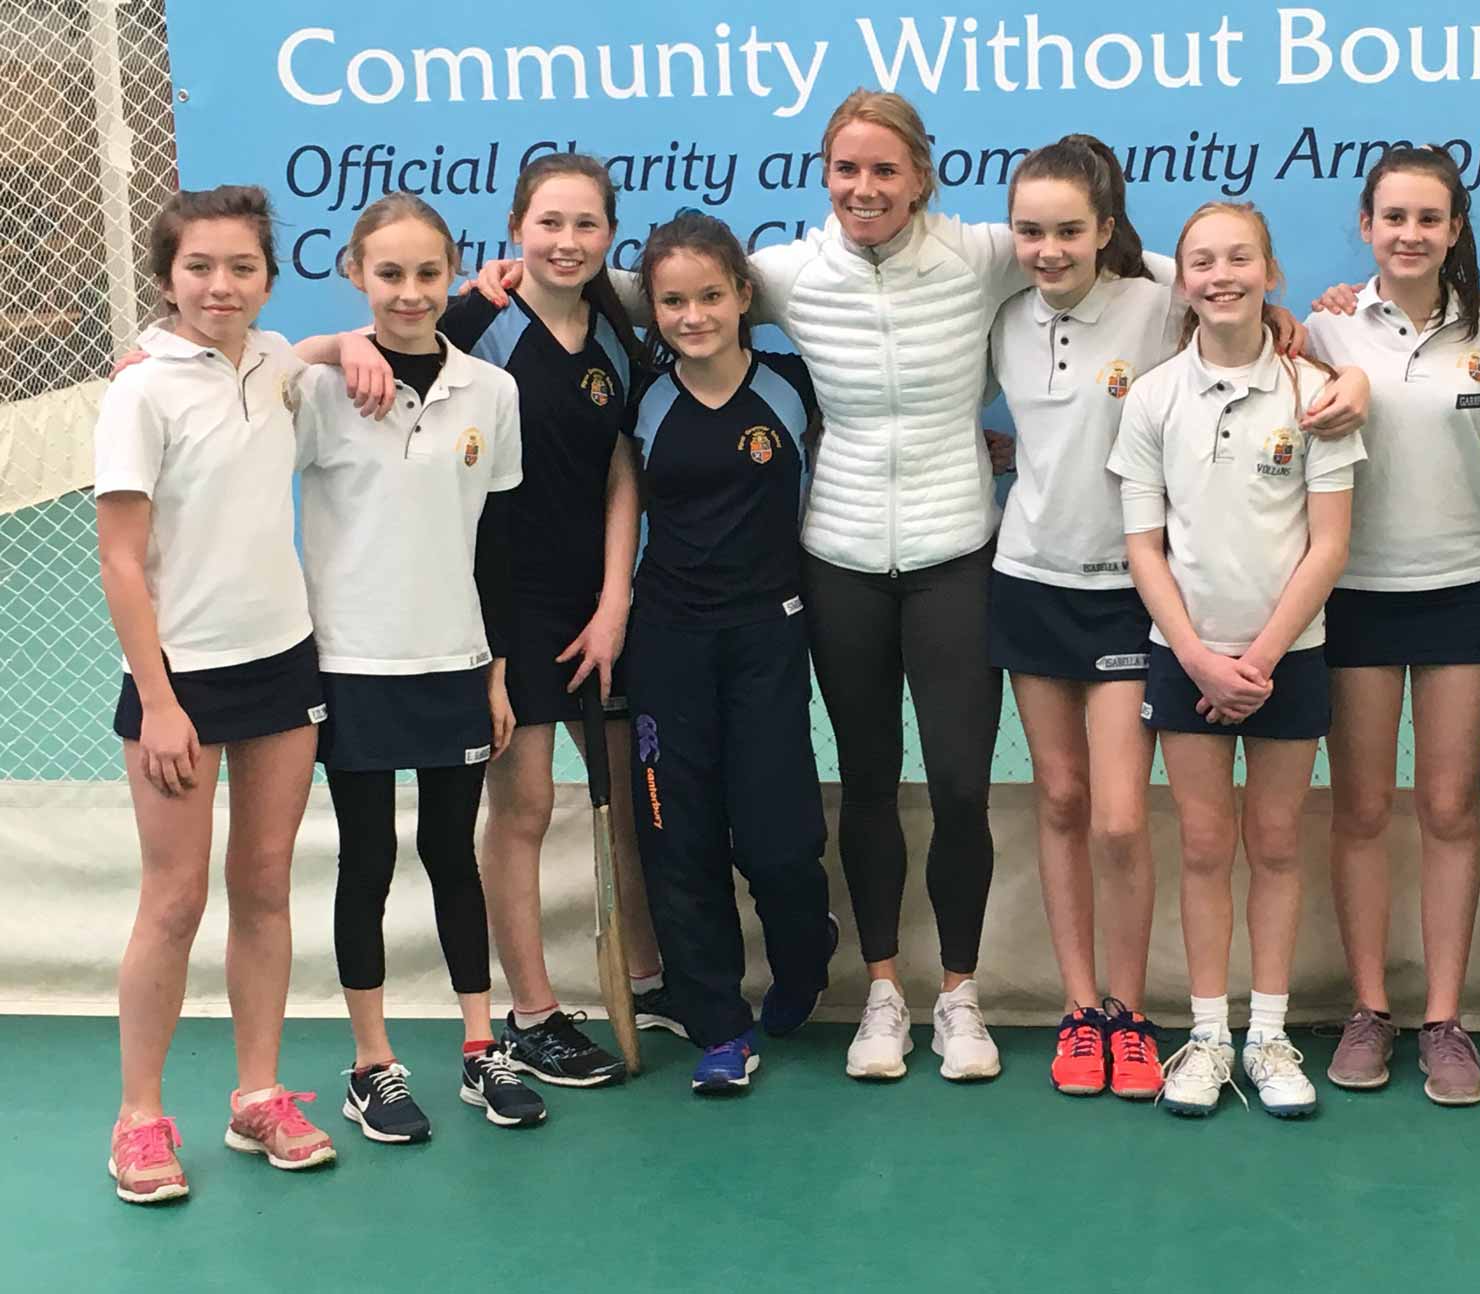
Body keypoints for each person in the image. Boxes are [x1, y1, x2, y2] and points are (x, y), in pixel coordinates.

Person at [472, 99, 1368, 1083]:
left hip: (956, 553)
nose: (864, 189)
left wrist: (1303, 337)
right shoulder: (785, 273)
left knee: (957, 786)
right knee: (864, 782)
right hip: (838, 560)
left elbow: (1184, 280)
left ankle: (959, 994)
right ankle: (886, 994)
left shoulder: (985, 252)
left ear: (921, 176)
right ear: (825, 174)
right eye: (846, 169)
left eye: (884, 171)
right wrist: (509, 281)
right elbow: (663, 291)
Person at [383, 153, 658, 1087]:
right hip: (505, 606)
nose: (567, 242)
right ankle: (532, 1012)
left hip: (604, 604)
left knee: (634, 798)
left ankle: (649, 980)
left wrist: (616, 597)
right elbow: (375, 359)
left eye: (586, 225)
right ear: (515, 229)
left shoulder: (621, 330)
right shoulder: (478, 322)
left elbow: (625, 467)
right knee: (528, 804)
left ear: (608, 236)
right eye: (550, 224)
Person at [97, 185, 335, 1203]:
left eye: (241, 266)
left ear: (267, 278)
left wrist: (345, 348)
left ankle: (257, 1095)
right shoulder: (140, 390)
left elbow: (327, 348)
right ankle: (140, 1120)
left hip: (283, 663)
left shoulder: (279, 364)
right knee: (176, 899)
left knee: (269, 884)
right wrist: (158, 699)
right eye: (199, 266)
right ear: (166, 280)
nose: (220, 284)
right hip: (177, 682)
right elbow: (118, 556)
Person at [294, 193, 546, 1139]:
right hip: (350, 664)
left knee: (452, 856)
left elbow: (498, 548)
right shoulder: (319, 389)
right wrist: (327, 346)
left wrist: (493, 669)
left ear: (454, 276)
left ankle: (484, 1050)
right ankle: (373, 1064)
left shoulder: (492, 392)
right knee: (368, 859)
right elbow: (227, 374)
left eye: (428, 274)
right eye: (388, 273)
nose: (409, 293)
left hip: (455, 661)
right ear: (356, 274)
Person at [1108, 201, 1366, 1120]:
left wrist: (1255, 661)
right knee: (1208, 846)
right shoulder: (1151, 398)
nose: (1221, 275)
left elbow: (1329, 544)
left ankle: (1268, 1033)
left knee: (1276, 843)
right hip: (1185, 656)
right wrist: (1199, 658)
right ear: (1182, 282)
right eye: (1203, 262)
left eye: (1240, 259)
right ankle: (1209, 1034)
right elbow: (1145, 547)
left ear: (1272, 272)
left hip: (1288, 655)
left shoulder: (1315, 394)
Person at [1303, 147, 1480, 1106]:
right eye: (1393, 217)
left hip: (1460, 589)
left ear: (1454, 230)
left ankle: (1444, 1019)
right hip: (1352, 594)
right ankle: (1368, 1010)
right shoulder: (1323, 327)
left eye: (1428, 218)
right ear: (1366, 227)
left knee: (1447, 811)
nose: (1410, 234)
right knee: (1359, 811)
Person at [620, 210, 837, 1094]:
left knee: (779, 837)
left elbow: (880, 437)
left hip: (769, 636)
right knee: (678, 837)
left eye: (711, 295)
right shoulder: (642, 394)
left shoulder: (793, 383)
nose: (693, 314)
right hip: (666, 641)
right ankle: (717, 1022)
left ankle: (803, 952)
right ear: (653, 310)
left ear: (746, 296)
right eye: (673, 300)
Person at [987, 135, 1182, 1100]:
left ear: (1107, 229)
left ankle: (1131, 1012)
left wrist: (1313, 325)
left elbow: (1246, 296)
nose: (1049, 249)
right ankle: (1079, 1009)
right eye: (1030, 231)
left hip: (1131, 594)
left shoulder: (1161, 300)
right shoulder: (1004, 313)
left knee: (1116, 818)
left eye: (1070, 230)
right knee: (1059, 802)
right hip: (1026, 579)